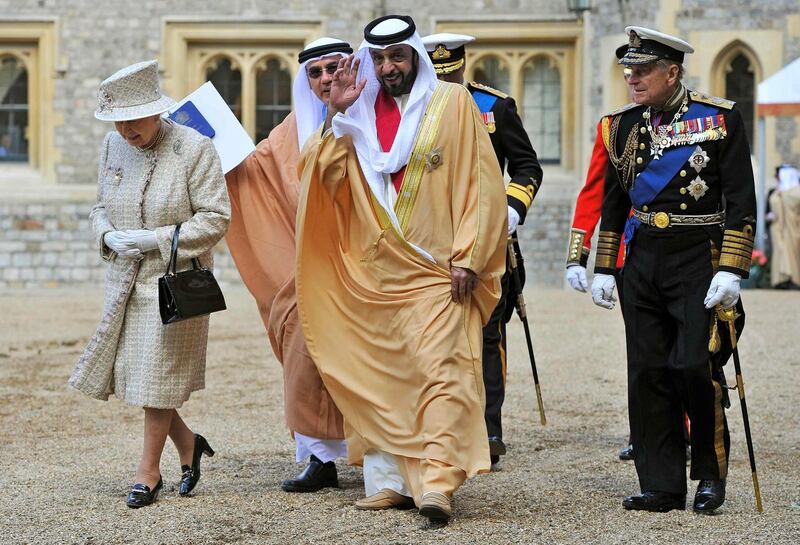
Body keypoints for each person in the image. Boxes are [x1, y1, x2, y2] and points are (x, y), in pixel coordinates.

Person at [295, 15, 507, 523]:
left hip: (440, 269)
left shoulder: (452, 104)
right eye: (381, 59)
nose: (390, 68)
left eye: (398, 57)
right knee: (384, 377)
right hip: (376, 273)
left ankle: (437, 483)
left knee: (444, 375)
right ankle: (390, 482)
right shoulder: (356, 113)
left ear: (415, 56)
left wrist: (471, 256)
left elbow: (482, 183)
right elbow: (320, 181)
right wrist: (335, 114)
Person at [591, 27, 756, 514]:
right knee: (647, 372)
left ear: (672, 72)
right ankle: (661, 484)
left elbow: (741, 201)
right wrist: (604, 266)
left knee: (693, 366)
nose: (632, 79)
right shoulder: (620, 126)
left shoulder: (718, 119)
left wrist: (732, 268)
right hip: (642, 257)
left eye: (642, 71)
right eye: (628, 71)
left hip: (696, 255)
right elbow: (614, 200)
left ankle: (708, 473)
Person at [69, 60, 231, 508]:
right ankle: (189, 444)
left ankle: (148, 473)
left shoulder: (195, 148)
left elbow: (216, 218)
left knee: (156, 377)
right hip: (124, 281)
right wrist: (108, 235)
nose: (125, 130)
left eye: (133, 119)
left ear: (157, 110)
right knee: (141, 378)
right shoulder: (111, 146)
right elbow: (99, 205)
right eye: (117, 120)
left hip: (175, 286)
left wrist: (156, 240)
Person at [224, 37, 352, 493]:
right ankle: (319, 458)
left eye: (333, 69)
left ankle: (385, 456)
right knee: (304, 356)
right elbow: (251, 171)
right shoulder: (289, 131)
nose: (325, 80)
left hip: (362, 264)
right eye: (315, 73)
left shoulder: (375, 117)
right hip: (308, 269)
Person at [421, 32, 543, 466]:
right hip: (430, 243)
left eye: (450, 73)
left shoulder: (494, 107)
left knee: (487, 335)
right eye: (437, 75)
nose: (444, 82)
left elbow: (527, 166)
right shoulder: (413, 107)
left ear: (462, 66)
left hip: (487, 239)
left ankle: (489, 429)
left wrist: (512, 209)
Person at [768, 164, 800, 288]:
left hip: (794, 228)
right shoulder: (777, 192)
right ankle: (781, 280)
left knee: (793, 253)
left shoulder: (795, 191)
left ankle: (794, 280)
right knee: (780, 253)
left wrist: (783, 196)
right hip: (778, 229)